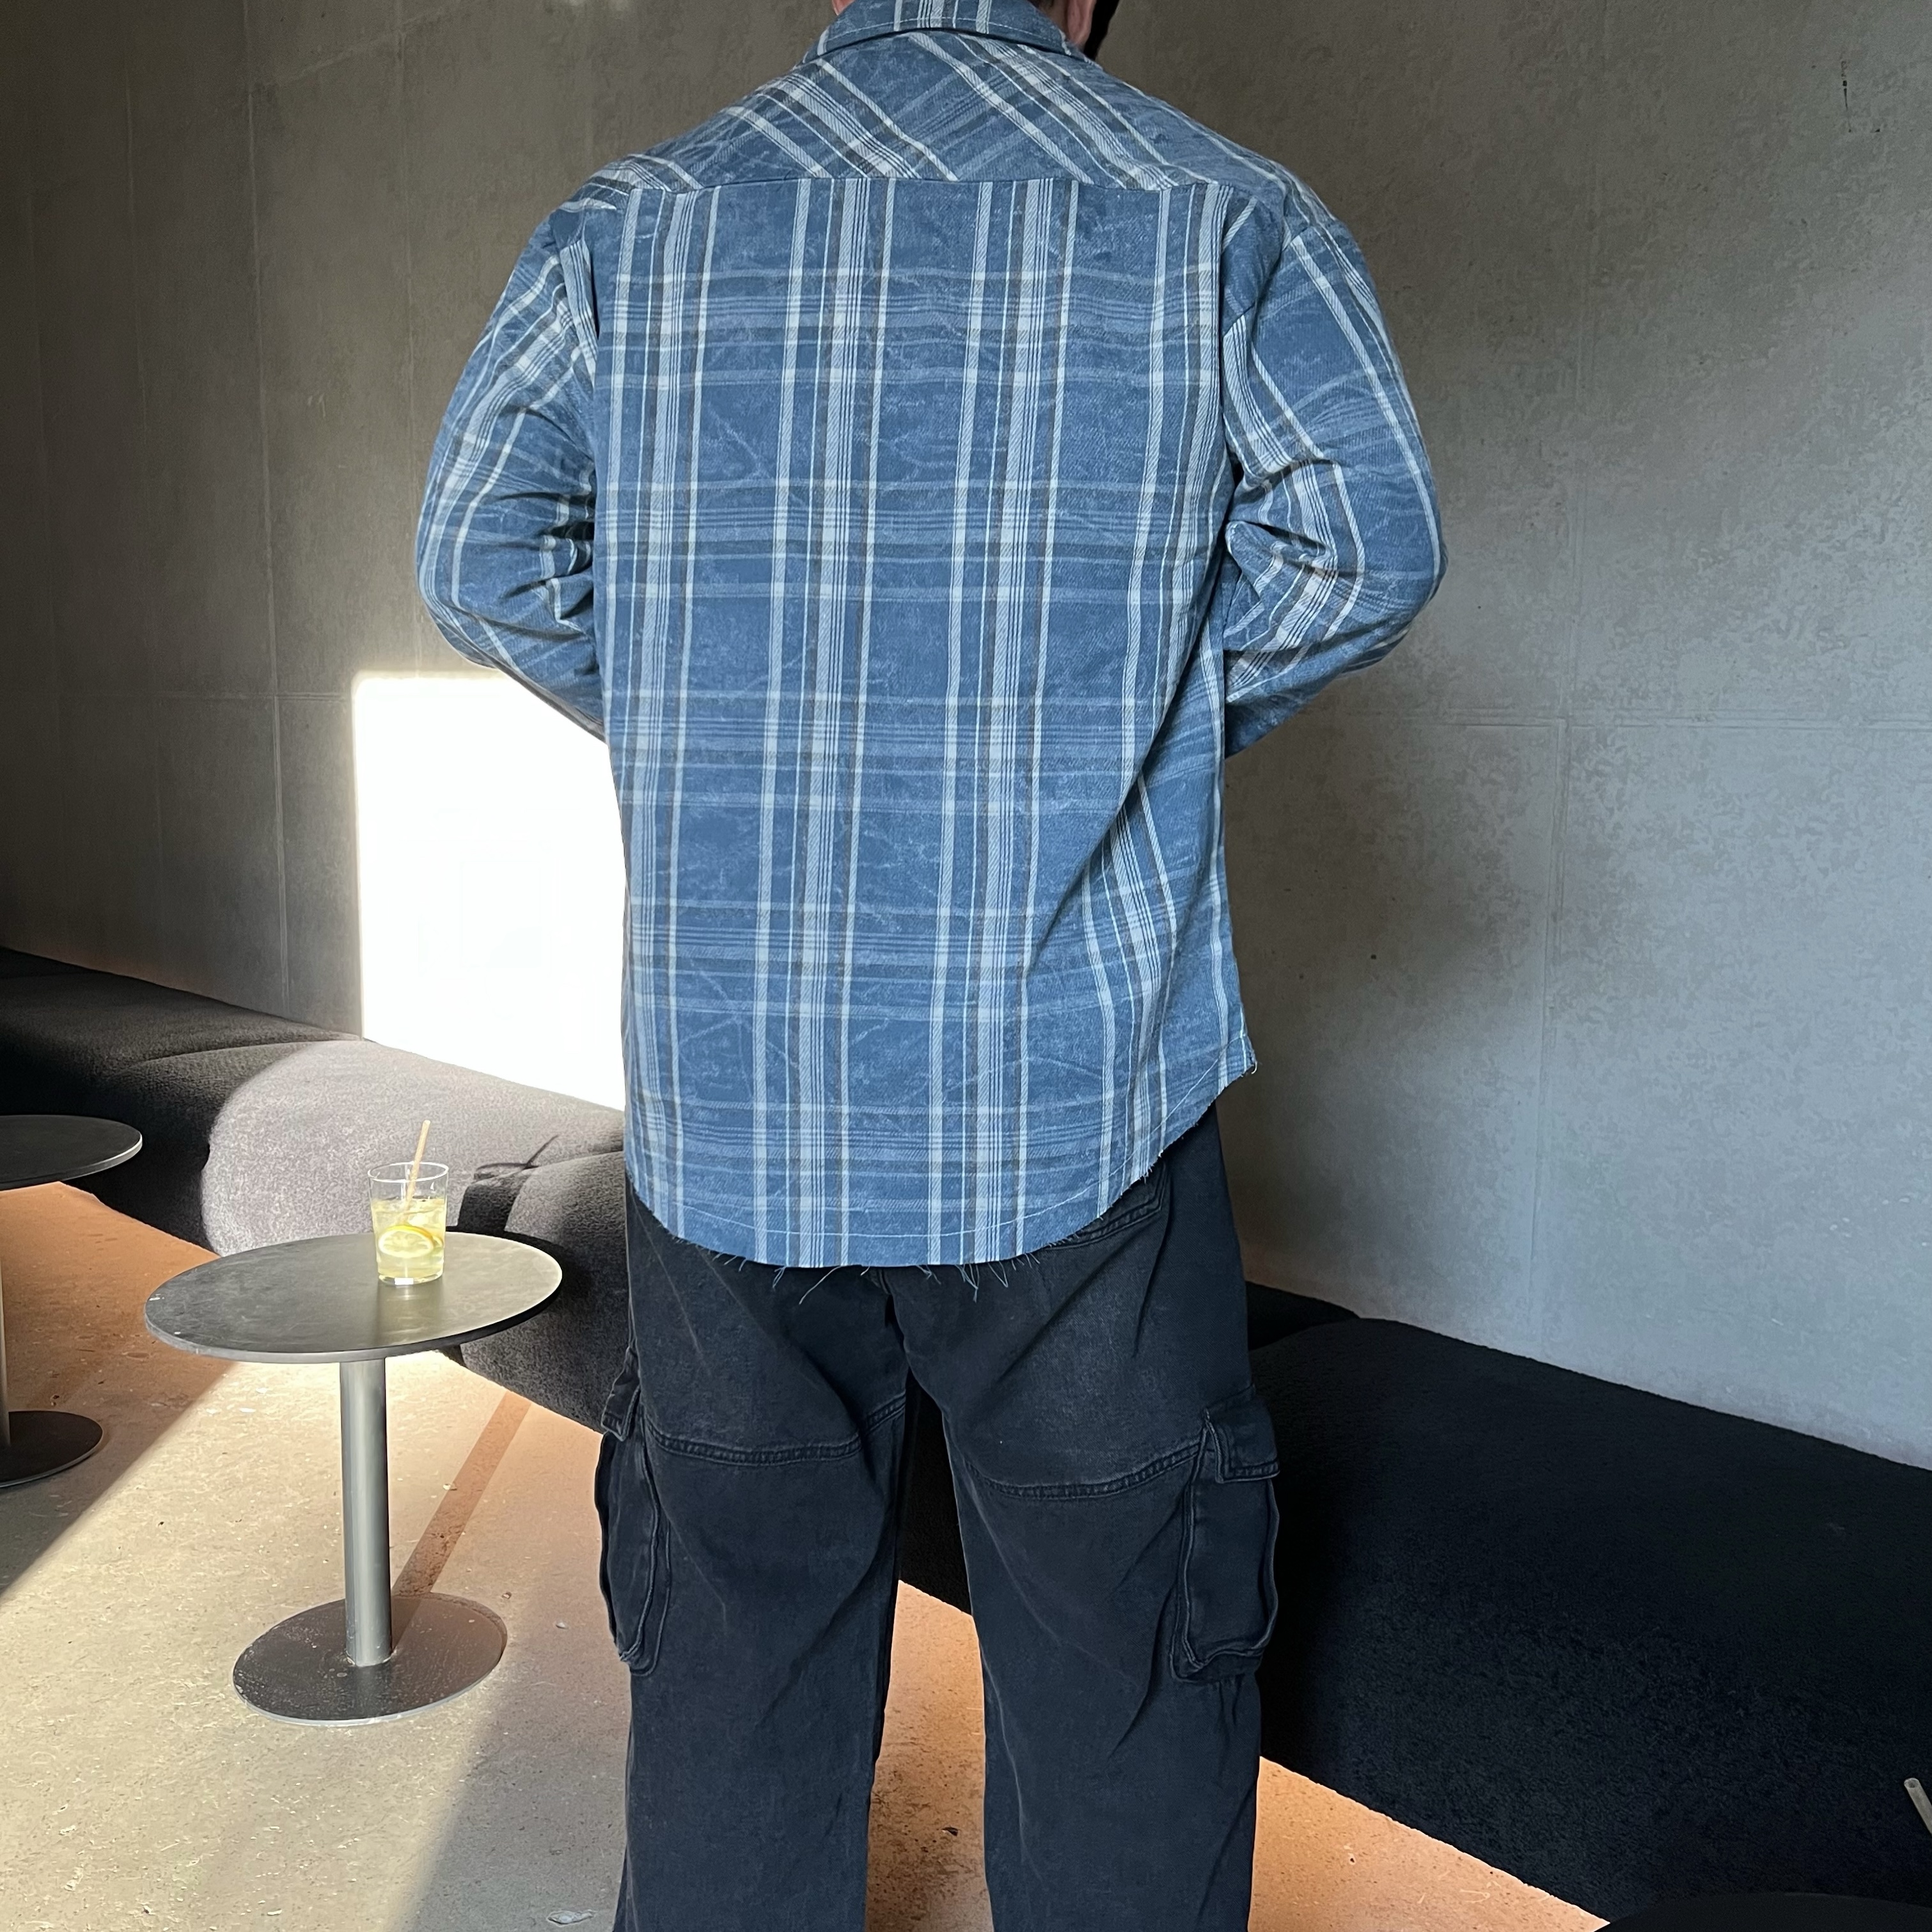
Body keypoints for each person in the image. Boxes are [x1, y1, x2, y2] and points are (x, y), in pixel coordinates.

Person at [418, 0, 1443, 1924]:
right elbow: (1365, 545)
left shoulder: (629, 228)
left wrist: (714, 727)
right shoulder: (1217, 211)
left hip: (738, 1088)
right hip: (1077, 1089)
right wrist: (1116, 742)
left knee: (734, 1639)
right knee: (1124, 1658)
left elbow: (481, 553)